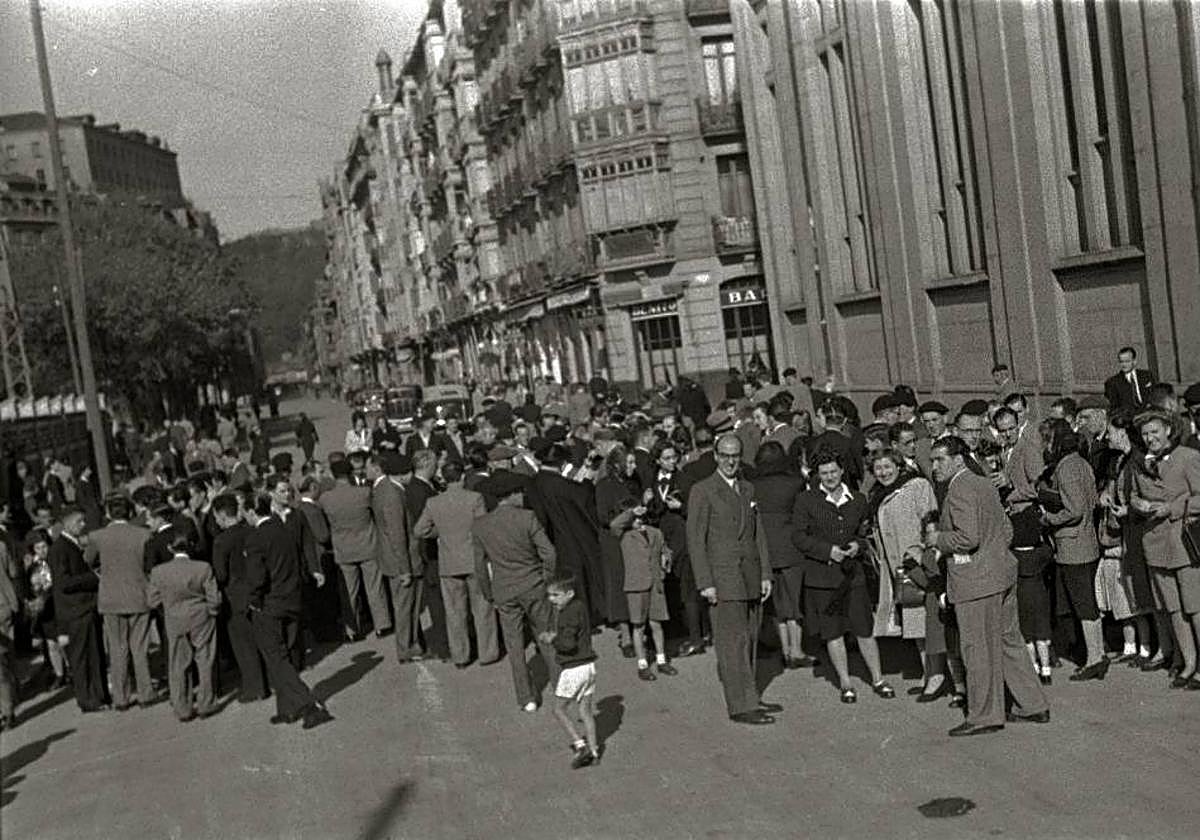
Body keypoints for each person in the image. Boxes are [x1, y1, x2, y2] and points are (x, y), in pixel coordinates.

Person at [928, 436, 1049, 736]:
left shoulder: (957, 489)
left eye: (939, 460)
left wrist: (937, 540)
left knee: (977, 648)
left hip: (976, 582)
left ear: (958, 459)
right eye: (932, 460)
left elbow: (968, 538)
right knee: (1010, 640)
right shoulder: (983, 483)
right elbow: (1006, 530)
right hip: (1002, 573)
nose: (934, 466)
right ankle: (1033, 704)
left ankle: (984, 715)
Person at [686, 433, 778, 725]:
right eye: (724, 455)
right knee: (732, 642)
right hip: (723, 578)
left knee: (749, 638)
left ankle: (750, 695)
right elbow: (695, 540)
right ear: (715, 456)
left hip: (750, 575)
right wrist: (705, 582)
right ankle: (741, 706)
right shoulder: (703, 490)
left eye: (735, 455)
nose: (730, 461)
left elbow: (758, 534)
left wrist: (765, 574)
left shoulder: (748, 488)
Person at [793, 448, 893, 703]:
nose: (829, 477)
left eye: (833, 472)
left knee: (864, 628)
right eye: (824, 473)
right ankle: (846, 683)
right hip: (822, 579)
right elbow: (798, 536)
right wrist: (827, 551)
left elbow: (865, 531)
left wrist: (858, 545)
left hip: (853, 576)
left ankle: (879, 679)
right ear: (817, 474)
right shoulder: (806, 500)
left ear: (842, 471)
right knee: (833, 632)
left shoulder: (858, 499)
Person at [242, 491, 333, 729]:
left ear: (252, 512)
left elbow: (256, 578)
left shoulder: (255, 538)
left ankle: (309, 704)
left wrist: (252, 601)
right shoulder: (284, 528)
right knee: (285, 655)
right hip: (292, 598)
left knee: (276, 658)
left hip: (269, 605)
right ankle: (287, 708)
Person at [473, 471, 558, 712]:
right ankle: (560, 685)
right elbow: (549, 554)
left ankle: (526, 697)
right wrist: (546, 578)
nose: (522, 495)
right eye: (519, 492)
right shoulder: (527, 518)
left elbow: (480, 565)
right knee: (547, 637)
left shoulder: (480, 525)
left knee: (514, 645)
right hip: (533, 585)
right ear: (509, 495)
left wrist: (488, 591)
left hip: (504, 589)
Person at [1130, 410, 1200, 688]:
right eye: (1146, 434)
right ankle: (1189, 662)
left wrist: (1170, 508)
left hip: (1183, 544)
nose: (1150, 438)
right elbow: (1133, 494)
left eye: (1155, 432)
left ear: (1168, 430)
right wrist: (1138, 504)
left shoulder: (1188, 457)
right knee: (1173, 609)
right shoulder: (1140, 462)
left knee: (1194, 607)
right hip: (1155, 544)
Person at [868, 449, 941, 696]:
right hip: (897, 567)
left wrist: (925, 554)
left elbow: (932, 520)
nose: (883, 472)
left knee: (928, 621)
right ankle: (927, 672)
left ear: (899, 466)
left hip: (918, 563)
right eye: (878, 468)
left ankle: (939, 676)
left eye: (888, 466)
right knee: (914, 621)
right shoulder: (878, 495)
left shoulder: (917, 486)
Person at [1039, 419, 1107, 680]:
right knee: (1089, 603)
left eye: (1047, 441)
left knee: (1083, 604)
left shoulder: (1065, 468)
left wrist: (1049, 519)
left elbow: (1075, 509)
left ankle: (1094, 659)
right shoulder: (1082, 463)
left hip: (1072, 545)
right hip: (1087, 541)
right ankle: (1097, 655)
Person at [412, 461, 498, 668]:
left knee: (454, 613)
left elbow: (419, 530)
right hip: (473, 559)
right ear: (462, 477)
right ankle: (487, 653)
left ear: (444, 478)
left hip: (448, 562)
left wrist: (439, 532)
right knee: (482, 609)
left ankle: (460, 656)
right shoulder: (474, 498)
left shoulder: (434, 502)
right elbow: (483, 526)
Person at [87, 493, 156, 711]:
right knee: (139, 647)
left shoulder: (97, 537)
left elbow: (87, 561)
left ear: (108, 513)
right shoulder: (143, 535)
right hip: (138, 595)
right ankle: (146, 693)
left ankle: (121, 697)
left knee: (117, 649)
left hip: (111, 599)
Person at [148, 531, 221, 721]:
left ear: (170, 548)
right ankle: (207, 702)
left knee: (178, 664)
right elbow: (214, 597)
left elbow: (152, 600)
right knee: (205, 659)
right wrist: (212, 611)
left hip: (174, 619)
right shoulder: (203, 567)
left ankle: (183, 707)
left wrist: (167, 611)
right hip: (201, 615)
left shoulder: (158, 572)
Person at [751, 442, 809, 668]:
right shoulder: (795, 484)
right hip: (791, 548)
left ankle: (785, 650)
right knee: (794, 602)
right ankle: (797, 650)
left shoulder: (751, 486)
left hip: (764, 549)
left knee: (776, 604)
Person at [321, 459, 389, 640]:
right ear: (350, 473)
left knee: (349, 592)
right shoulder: (364, 493)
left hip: (343, 549)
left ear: (333, 476)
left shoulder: (326, 498)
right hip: (367, 544)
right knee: (374, 587)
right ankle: (382, 625)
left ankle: (352, 629)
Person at [49, 506, 108, 712]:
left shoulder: (69, 546)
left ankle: (99, 695)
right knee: (82, 657)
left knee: (93, 653)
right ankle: (88, 699)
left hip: (83, 608)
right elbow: (63, 582)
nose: (83, 526)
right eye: (79, 522)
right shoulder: (59, 549)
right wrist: (93, 577)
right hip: (76, 611)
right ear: (67, 524)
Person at [210, 492, 267, 702]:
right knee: (262, 638)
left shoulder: (221, 541)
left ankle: (255, 687)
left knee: (243, 645)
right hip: (257, 589)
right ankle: (270, 681)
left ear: (222, 515)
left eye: (216, 516)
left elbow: (221, 574)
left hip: (235, 596)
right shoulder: (251, 530)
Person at [610, 499, 675, 681]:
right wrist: (631, 511)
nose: (639, 520)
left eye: (641, 516)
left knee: (657, 623)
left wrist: (666, 558)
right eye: (635, 517)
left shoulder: (655, 532)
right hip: (636, 585)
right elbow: (615, 524)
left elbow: (665, 550)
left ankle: (662, 661)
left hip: (655, 584)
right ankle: (642, 664)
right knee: (638, 626)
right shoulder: (624, 534)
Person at [541, 575, 600, 769]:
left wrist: (552, 639)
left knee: (558, 709)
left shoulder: (567, 614)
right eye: (549, 595)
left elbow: (568, 644)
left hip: (573, 668)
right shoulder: (580, 607)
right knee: (585, 711)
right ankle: (594, 751)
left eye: (556, 595)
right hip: (589, 667)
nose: (551, 599)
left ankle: (579, 744)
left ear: (569, 593)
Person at [371, 452, 424, 663]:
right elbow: (397, 535)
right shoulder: (394, 496)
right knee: (406, 608)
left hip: (390, 559)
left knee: (405, 606)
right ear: (404, 474)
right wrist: (405, 569)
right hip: (402, 562)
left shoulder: (383, 488)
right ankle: (407, 648)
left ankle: (411, 645)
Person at [406, 449, 450, 660]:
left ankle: (445, 645)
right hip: (430, 553)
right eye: (434, 464)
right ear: (426, 465)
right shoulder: (419, 491)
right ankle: (444, 646)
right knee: (438, 602)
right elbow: (423, 524)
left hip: (431, 552)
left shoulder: (422, 487)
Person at [594, 447, 638, 656]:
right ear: (617, 465)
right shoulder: (604, 486)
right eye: (629, 463)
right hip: (613, 541)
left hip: (630, 537)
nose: (633, 467)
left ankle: (636, 628)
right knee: (619, 583)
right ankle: (626, 633)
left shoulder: (630, 482)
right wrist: (628, 513)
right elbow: (603, 516)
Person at [1104, 346, 1156, 411]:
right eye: (1121, 362)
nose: (1124, 365)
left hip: (1148, 413)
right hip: (1128, 416)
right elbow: (1115, 407)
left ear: (1134, 361)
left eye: (1127, 361)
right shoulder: (1112, 382)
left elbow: (1155, 395)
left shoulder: (1146, 376)